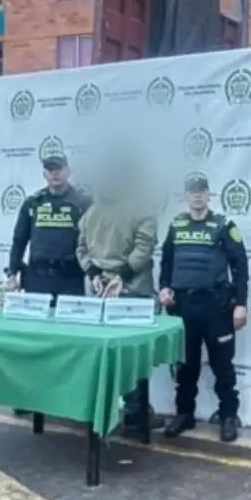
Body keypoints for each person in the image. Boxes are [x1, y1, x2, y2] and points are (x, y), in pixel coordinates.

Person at [158, 174, 250, 443]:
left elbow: (240, 269)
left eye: (202, 191)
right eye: (192, 191)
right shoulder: (176, 225)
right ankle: (184, 414)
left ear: (209, 195)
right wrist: (164, 288)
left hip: (216, 307)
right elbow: (165, 263)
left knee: (223, 366)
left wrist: (241, 305)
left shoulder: (224, 226)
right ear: (186, 196)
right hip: (183, 306)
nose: (197, 196)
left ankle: (228, 416)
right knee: (186, 365)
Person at [78, 159, 160, 432]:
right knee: (135, 357)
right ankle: (136, 415)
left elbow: (80, 249)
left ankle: (104, 409)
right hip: (131, 293)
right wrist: (120, 277)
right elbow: (143, 250)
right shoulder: (143, 209)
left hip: (100, 293)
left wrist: (93, 274)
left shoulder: (92, 210)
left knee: (106, 355)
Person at [6, 155, 89, 297]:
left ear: (68, 172)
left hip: (70, 278)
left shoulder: (83, 202)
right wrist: (12, 273)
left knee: (67, 319)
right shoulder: (33, 203)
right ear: (45, 175)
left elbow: (93, 241)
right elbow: (19, 240)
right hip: (37, 278)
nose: (54, 173)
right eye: (50, 170)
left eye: (58, 169)